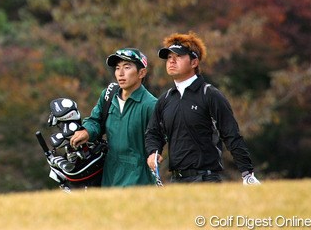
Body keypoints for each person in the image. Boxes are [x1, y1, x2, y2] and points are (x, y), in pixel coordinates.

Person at [145, 31, 261, 184]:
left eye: (178, 56)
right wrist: (153, 151)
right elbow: (153, 133)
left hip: (206, 179)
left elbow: (231, 134)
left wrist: (247, 173)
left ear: (194, 62)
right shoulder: (165, 99)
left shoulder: (210, 94)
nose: (171, 61)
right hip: (176, 181)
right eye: (169, 57)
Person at [70, 48, 158, 187]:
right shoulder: (108, 95)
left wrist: (155, 154)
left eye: (127, 67)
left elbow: (158, 137)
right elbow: (95, 121)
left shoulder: (151, 104)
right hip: (110, 173)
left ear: (142, 72)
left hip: (138, 177)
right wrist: (87, 131)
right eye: (117, 68)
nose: (120, 73)